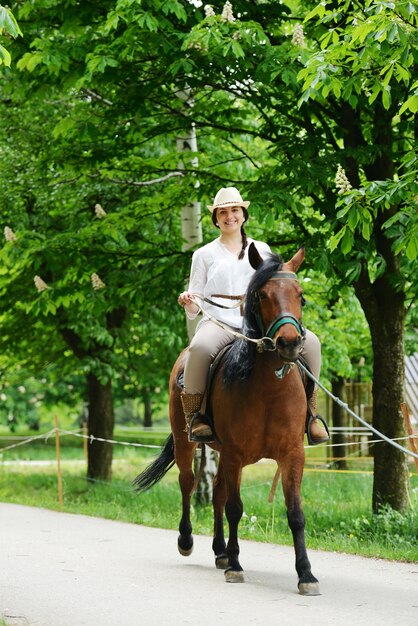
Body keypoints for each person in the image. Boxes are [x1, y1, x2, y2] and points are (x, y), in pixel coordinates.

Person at [178, 186, 329, 445]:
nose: (229, 216)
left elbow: (276, 289)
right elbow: (195, 306)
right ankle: (196, 417)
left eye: (234, 210)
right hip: (219, 321)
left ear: (243, 214)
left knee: (312, 343)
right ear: (215, 218)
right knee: (201, 348)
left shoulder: (263, 248)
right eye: (222, 212)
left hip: (257, 324)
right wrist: (188, 301)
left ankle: (312, 415)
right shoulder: (203, 254)